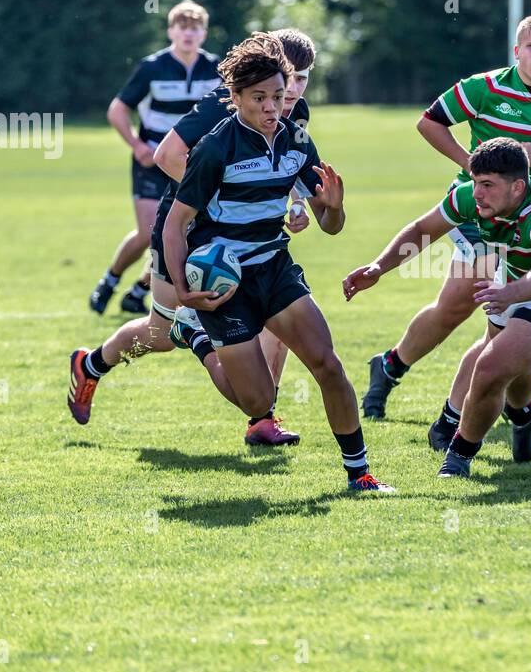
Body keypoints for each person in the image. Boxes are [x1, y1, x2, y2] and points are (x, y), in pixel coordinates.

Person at [164, 33, 393, 492]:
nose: (272, 107)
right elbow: (175, 225)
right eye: (259, 98)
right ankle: (194, 334)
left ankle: (360, 474)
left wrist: (333, 206)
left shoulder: (297, 141)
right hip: (225, 283)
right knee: (259, 399)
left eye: (277, 96)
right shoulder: (215, 149)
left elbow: (330, 227)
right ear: (235, 98)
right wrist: (184, 292)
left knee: (328, 365)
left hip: (275, 267)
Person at [66, 30, 317, 447]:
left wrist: (292, 205)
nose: (292, 90)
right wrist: (226, 197)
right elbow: (167, 156)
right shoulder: (224, 101)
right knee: (160, 335)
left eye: (303, 79)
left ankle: (262, 418)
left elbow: (283, 163)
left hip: (250, 239)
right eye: (288, 77)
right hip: (187, 227)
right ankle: (92, 365)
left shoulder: (295, 111)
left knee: (278, 317)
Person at [361, 15, 531, 437]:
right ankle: (400, 374)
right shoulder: (486, 87)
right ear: (517, 52)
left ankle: (468, 406)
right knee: (461, 307)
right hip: (475, 212)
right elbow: (429, 122)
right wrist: (475, 170)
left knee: (499, 315)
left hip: (526, 219)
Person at [344, 138, 531, 478]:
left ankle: (459, 455)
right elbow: (423, 229)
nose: (477, 193)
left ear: (518, 186)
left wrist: (511, 293)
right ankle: (526, 413)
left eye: (488, 185)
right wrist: (379, 267)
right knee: (510, 366)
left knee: (491, 365)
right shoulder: (472, 197)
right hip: (511, 284)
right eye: (476, 182)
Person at [91, 0, 222, 314]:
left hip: (190, 164)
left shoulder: (216, 68)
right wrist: (138, 146)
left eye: (195, 28)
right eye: (182, 27)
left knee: (181, 233)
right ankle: (111, 280)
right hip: (152, 160)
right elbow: (117, 109)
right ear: (170, 31)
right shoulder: (152, 67)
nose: (188, 34)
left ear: (204, 33)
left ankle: (139, 290)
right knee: (150, 232)